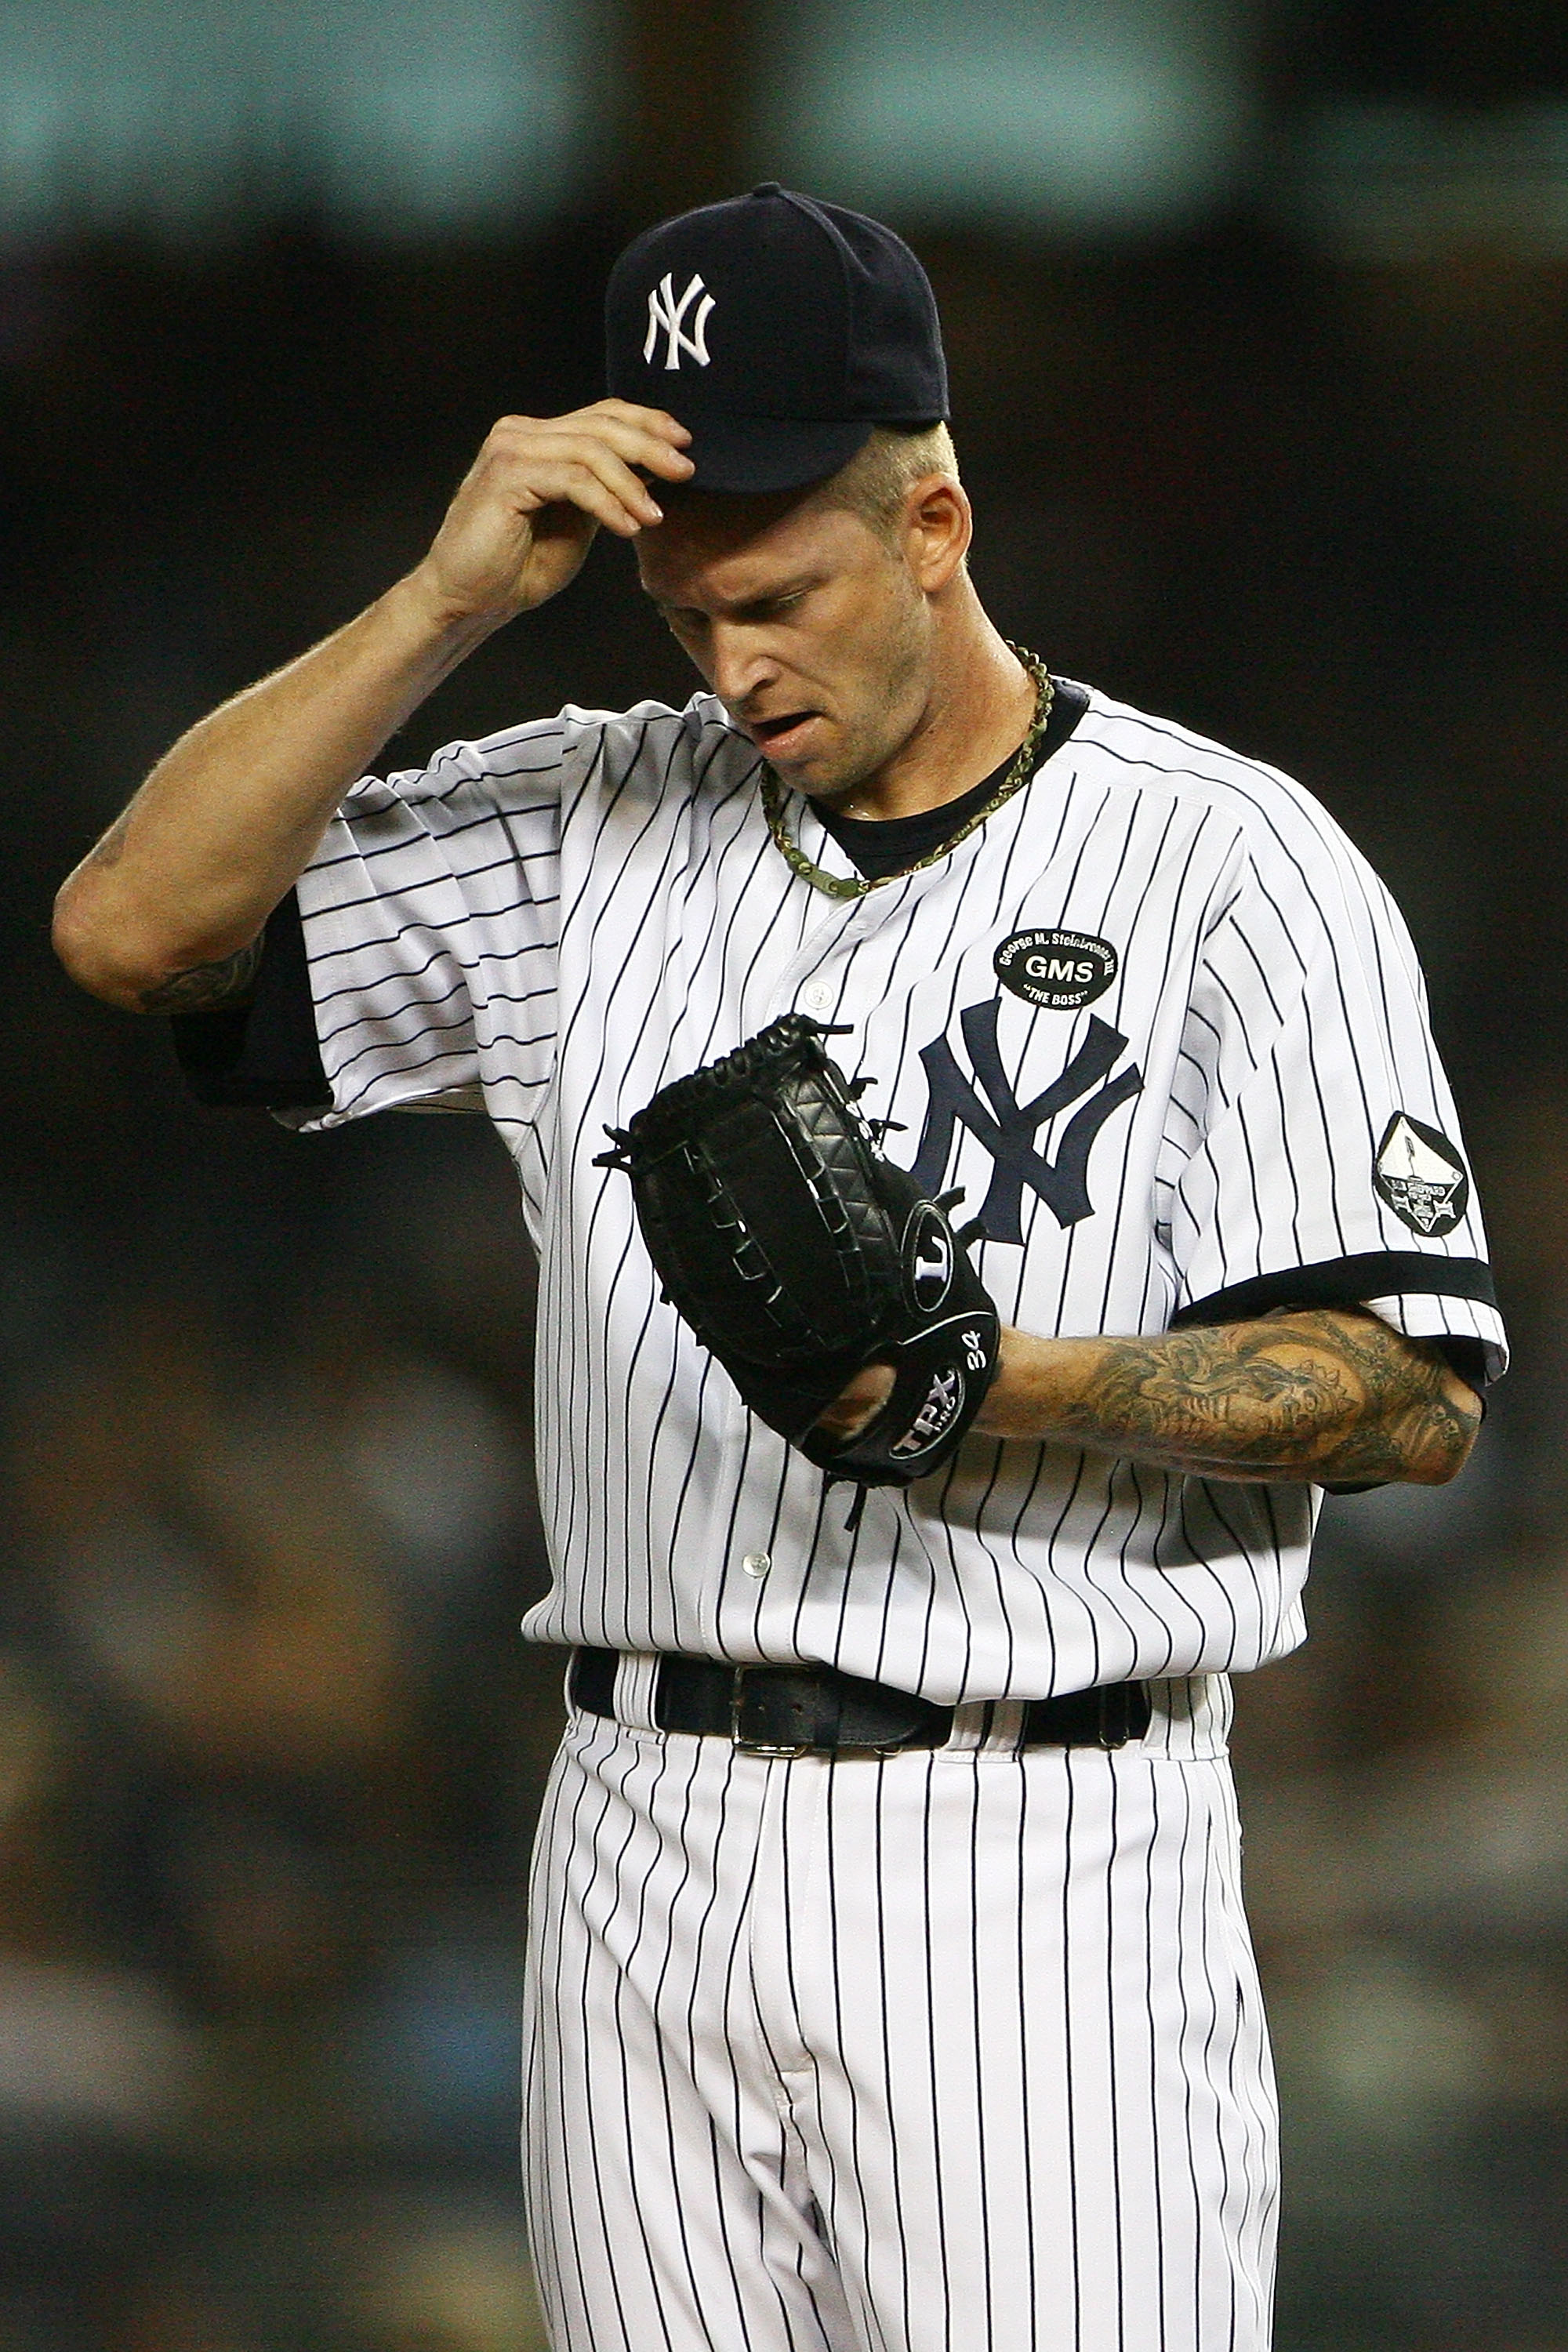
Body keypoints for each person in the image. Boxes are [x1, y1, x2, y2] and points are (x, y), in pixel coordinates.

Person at [54, 185, 1504, 2352]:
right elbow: (131, 931)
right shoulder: (586, 825)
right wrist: (444, 603)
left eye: (784, 593)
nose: (732, 661)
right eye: (681, 599)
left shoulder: (1235, 862)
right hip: (640, 1821)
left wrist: (993, 1381)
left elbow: (1409, 1395)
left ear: (934, 519)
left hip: (1036, 1846)